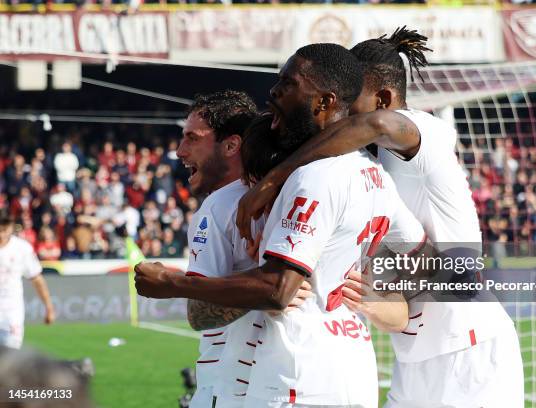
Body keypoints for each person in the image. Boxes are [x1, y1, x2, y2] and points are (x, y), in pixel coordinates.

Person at [235, 28, 524, 408]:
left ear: (385, 99)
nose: (340, 122)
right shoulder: (367, 168)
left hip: (468, 347)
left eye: (350, 108)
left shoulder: (424, 134)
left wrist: (275, 179)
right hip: (416, 352)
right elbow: (405, 292)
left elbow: (375, 124)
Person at [135, 43, 425, 407]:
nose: (273, 93)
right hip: (356, 373)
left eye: (287, 84)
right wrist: (373, 294)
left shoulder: (308, 180)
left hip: (293, 381)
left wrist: (169, 282)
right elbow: (421, 254)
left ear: (323, 102)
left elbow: (274, 291)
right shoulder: (375, 177)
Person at [0, 214, 55, 349]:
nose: (1, 234)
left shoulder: (21, 248)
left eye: (4, 229)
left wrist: (49, 307)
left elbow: (36, 278)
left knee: (11, 357)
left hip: (11, 311)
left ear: (11, 227)